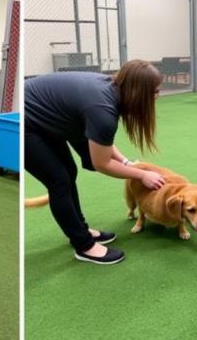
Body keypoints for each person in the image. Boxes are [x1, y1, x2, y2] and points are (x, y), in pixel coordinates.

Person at [24, 60, 166, 265]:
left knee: (68, 172)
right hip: (28, 121)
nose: (157, 97)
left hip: (51, 117)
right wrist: (142, 174)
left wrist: (126, 162)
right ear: (139, 93)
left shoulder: (113, 91)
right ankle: (84, 246)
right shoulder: (102, 109)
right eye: (155, 92)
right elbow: (102, 163)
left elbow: (101, 141)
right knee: (59, 180)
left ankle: (79, 229)